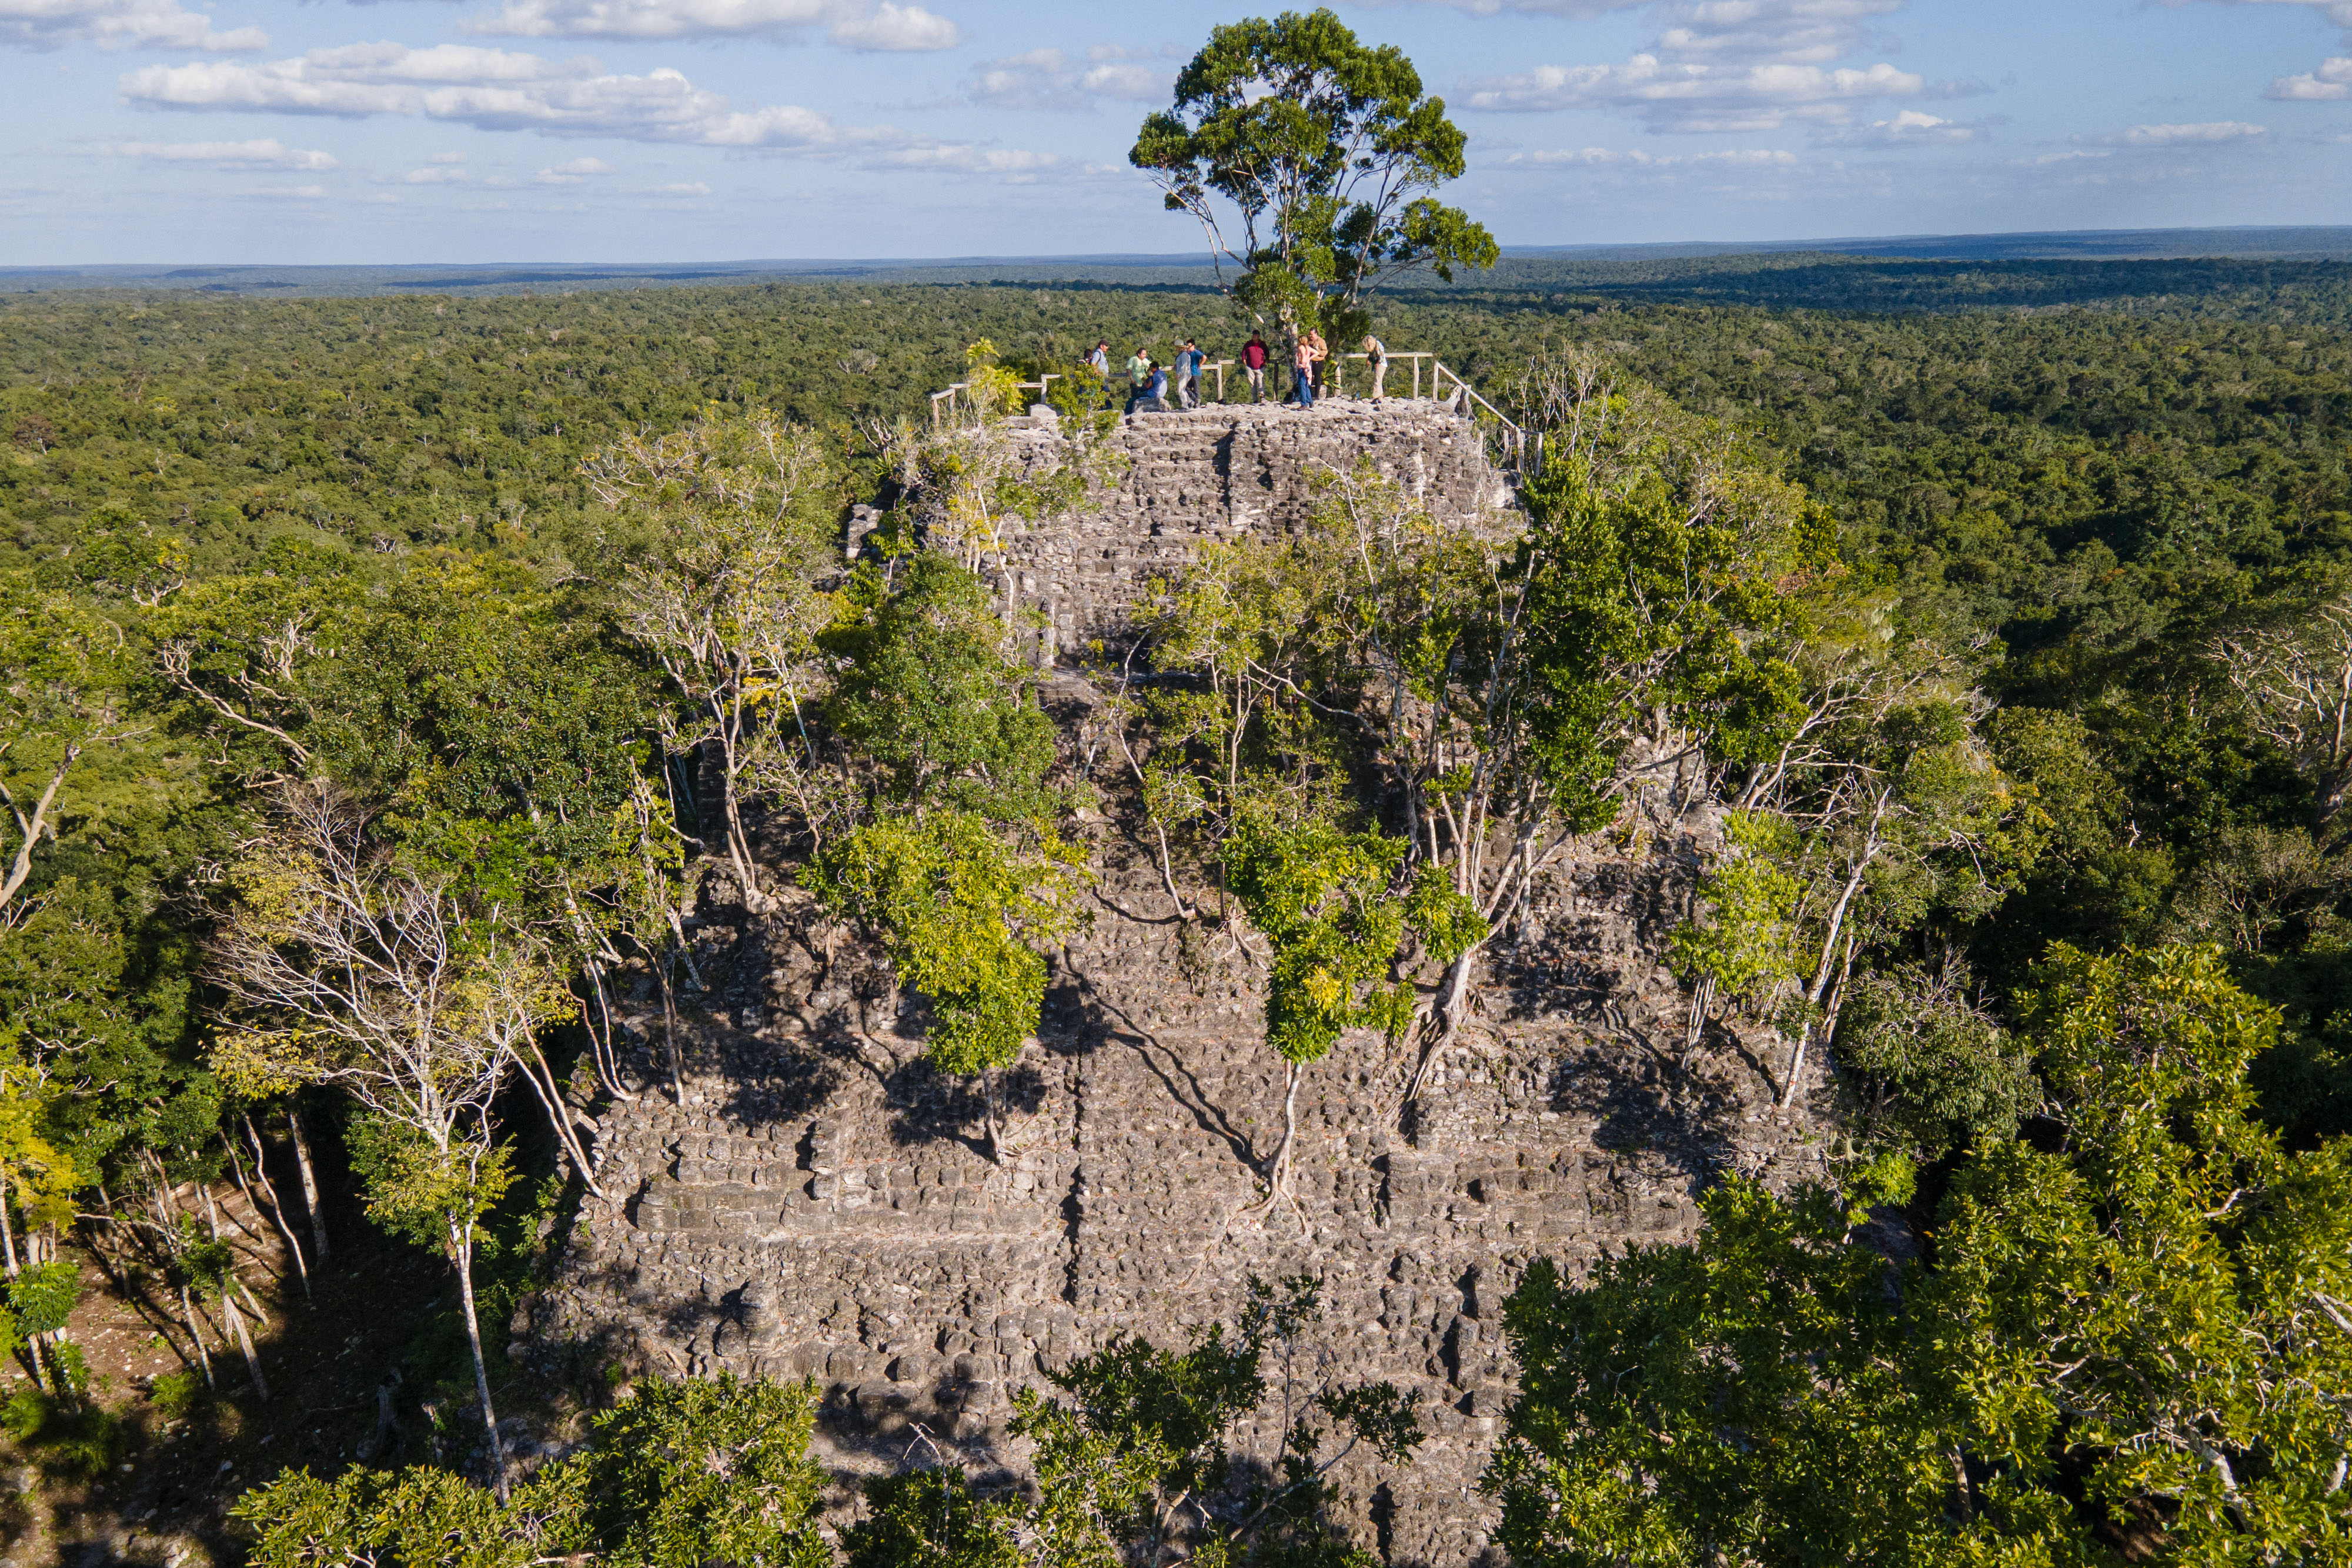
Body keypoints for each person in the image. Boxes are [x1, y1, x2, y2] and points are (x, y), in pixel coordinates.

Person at [1175, 339, 1202, 409]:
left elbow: (1184, 365)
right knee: (1182, 389)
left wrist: (1179, 373)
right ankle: (1190, 402)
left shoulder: (1184, 354)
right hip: (1185, 374)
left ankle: (1185, 405)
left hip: (1184, 374)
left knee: (1180, 390)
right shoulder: (1183, 354)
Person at [1242, 332, 1269, 402]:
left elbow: (1267, 354)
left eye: (1256, 335)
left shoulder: (1263, 344)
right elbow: (1244, 353)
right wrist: (1245, 361)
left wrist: (1266, 362)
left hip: (1260, 367)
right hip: (1250, 367)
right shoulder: (1248, 344)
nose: (1254, 337)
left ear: (1259, 336)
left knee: (1260, 383)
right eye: (1253, 335)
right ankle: (1255, 400)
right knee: (1252, 384)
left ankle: (1262, 397)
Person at [1124, 347, 1152, 414]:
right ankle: (1130, 412)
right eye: (1143, 354)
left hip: (1144, 383)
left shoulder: (1146, 361)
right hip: (1136, 383)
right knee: (1136, 398)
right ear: (1139, 354)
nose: (1145, 355)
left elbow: (1152, 367)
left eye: (1145, 354)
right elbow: (1129, 369)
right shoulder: (1133, 359)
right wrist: (1132, 379)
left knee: (1144, 397)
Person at [1292, 333, 1316, 409]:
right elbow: (1316, 353)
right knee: (1306, 385)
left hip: (1303, 368)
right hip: (1308, 368)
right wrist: (1309, 359)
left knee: (1302, 385)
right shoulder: (1308, 348)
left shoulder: (1301, 347)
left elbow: (1302, 355)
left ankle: (1304, 404)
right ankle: (1310, 401)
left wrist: (1302, 362)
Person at [1362, 333, 1388, 399]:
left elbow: (1381, 355)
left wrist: (1378, 363)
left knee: (1378, 380)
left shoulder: (1378, 345)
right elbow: (1371, 354)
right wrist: (1369, 360)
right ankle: (1380, 395)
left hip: (1382, 364)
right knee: (1379, 380)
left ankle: (1376, 395)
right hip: (1379, 364)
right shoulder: (1374, 346)